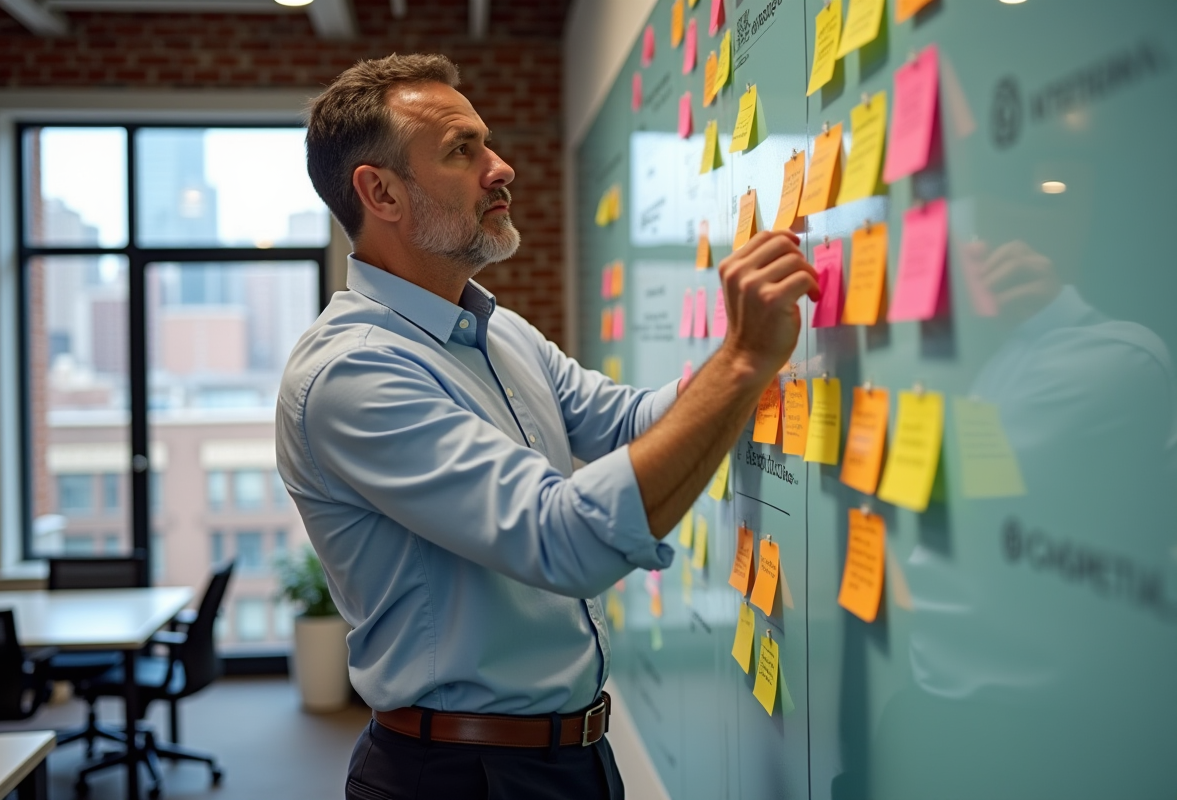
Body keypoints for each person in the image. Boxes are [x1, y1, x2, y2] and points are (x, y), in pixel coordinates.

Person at [276, 53, 819, 800]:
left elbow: (627, 421)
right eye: (462, 151)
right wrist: (739, 361)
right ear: (381, 193)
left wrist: (756, 363)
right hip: (459, 778)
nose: (500, 168)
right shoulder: (351, 375)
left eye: (487, 143)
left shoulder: (496, 332)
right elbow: (562, 540)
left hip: (569, 759)